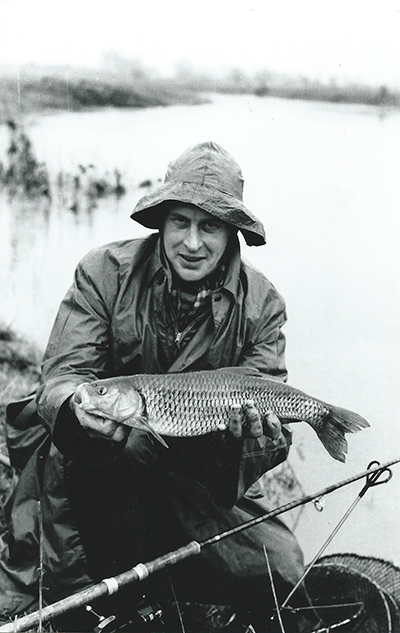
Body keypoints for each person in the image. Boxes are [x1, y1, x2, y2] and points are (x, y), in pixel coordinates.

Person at [0, 142, 318, 632]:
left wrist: (247, 440)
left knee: (282, 570)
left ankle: (169, 574)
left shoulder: (263, 305)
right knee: (130, 447)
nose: (192, 243)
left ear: (231, 233)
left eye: (209, 226)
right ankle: (123, 590)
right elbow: (62, 377)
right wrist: (75, 408)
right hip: (91, 467)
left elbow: (263, 427)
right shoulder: (104, 272)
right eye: (180, 222)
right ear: (161, 222)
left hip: (193, 477)